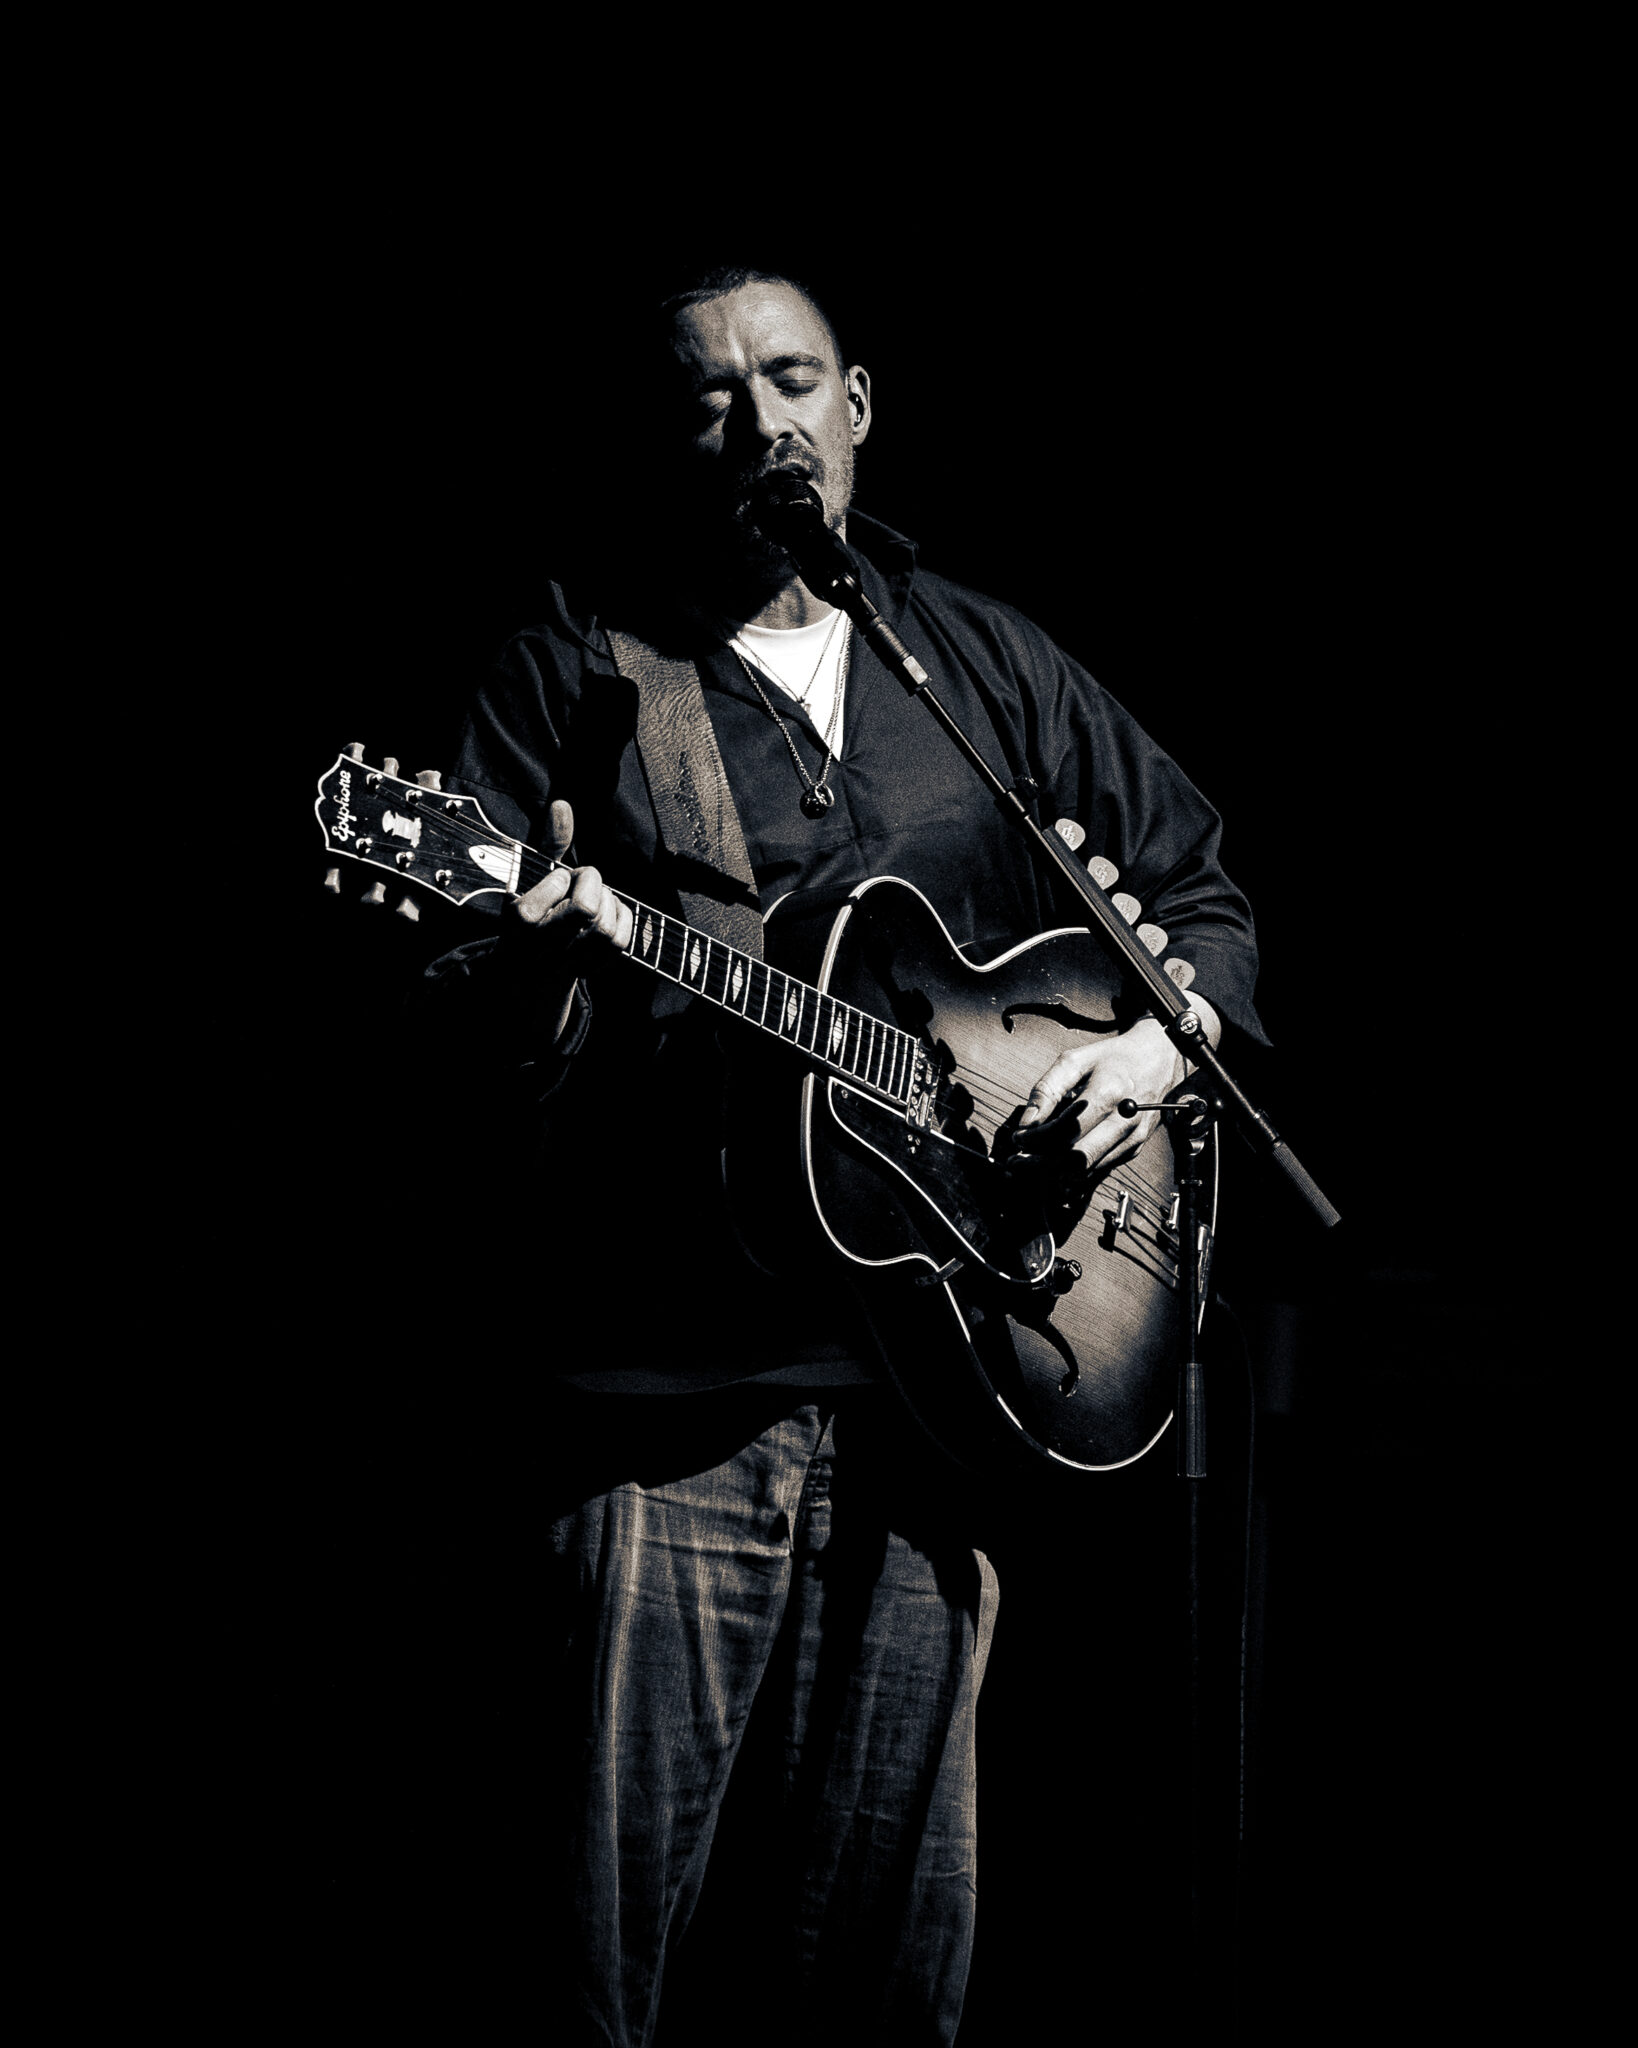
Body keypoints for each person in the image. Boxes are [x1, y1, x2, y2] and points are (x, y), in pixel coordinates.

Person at [416, 265, 1267, 2047]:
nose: (760, 421)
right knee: (593, 1963)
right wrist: (539, 968)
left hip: (939, 1404)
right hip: (667, 1409)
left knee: (885, 1984)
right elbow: (459, 1038)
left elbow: (1194, 892)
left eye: (791, 379)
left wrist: (1142, 1053)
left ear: (856, 406)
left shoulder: (970, 661)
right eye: (710, 395)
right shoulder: (578, 666)